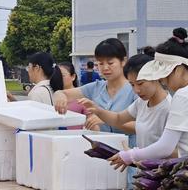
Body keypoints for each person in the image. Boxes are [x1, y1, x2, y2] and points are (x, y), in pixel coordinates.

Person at [109, 28, 188, 171]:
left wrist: (130, 155)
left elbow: (165, 147)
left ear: (179, 69)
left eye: (165, 76)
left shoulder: (185, 95)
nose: (163, 81)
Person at [54, 39, 137, 187]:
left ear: (123, 61)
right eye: (100, 63)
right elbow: (63, 93)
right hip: (102, 163)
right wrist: (59, 95)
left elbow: (141, 126)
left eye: (110, 63)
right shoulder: (96, 88)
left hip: (130, 161)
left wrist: (106, 119)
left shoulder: (135, 90)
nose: (105, 68)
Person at [79, 48, 171, 151]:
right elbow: (118, 119)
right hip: (144, 165)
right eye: (132, 85)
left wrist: (135, 155)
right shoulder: (141, 103)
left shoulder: (169, 108)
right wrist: (98, 110)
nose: (136, 90)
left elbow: (173, 150)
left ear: (156, 77)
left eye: (140, 83)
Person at [55, 62, 88, 129]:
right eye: (57, 76)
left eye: (62, 75)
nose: (59, 78)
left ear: (73, 77)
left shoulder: (82, 98)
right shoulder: (53, 95)